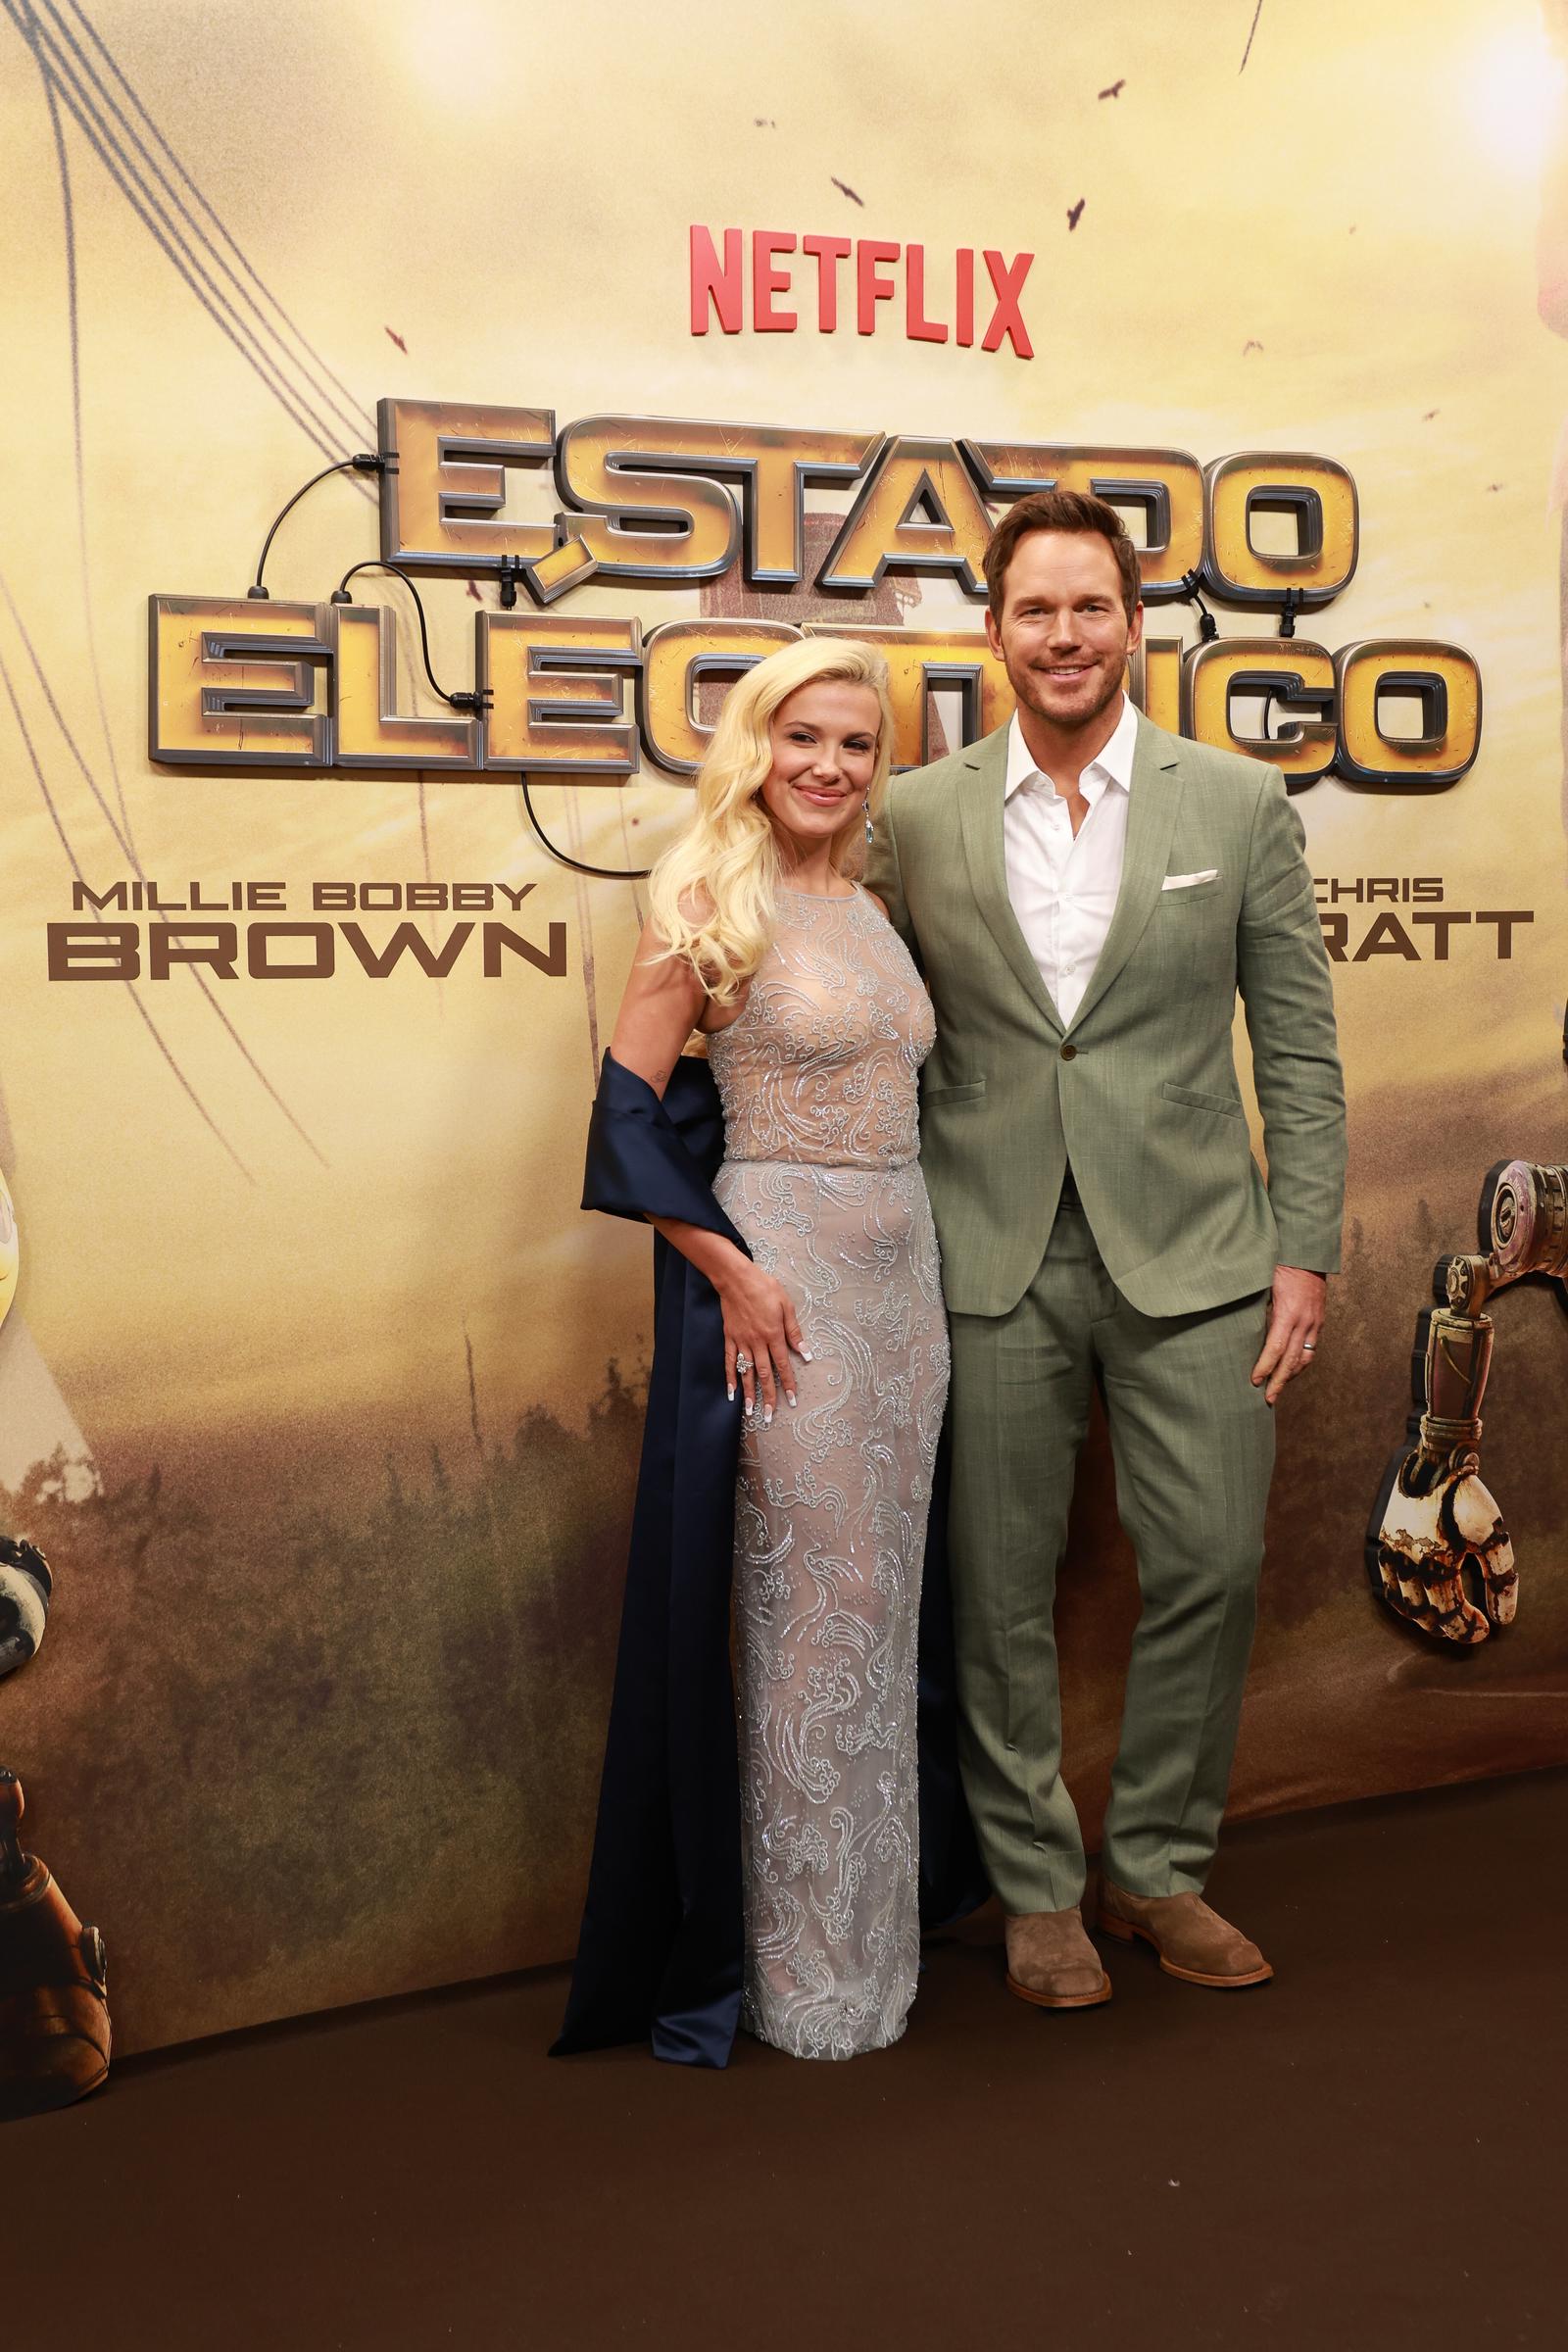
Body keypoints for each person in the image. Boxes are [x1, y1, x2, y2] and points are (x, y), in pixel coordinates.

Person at [866, 489, 1347, 2007]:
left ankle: (1155, 1867)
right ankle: (1035, 1892)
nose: (1062, 636)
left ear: (1134, 627)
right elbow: (860, 1008)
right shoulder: (919, 814)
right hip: (984, 1249)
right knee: (997, 1586)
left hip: (1204, 1251)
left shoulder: (1237, 804)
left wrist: (1306, 1249)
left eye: (1090, 608)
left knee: (1208, 1557)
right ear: (992, 630)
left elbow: (1302, 1052)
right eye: (1033, 610)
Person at [555, 637, 956, 2065]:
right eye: (804, 740)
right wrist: (734, 1272)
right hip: (786, 1288)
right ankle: (796, 1977)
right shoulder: (707, 900)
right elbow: (623, 1110)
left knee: (884, 1617)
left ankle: (877, 1946)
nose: (830, 767)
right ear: (755, 747)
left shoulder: (874, 904)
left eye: (855, 744)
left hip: (908, 1290)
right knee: (808, 1628)